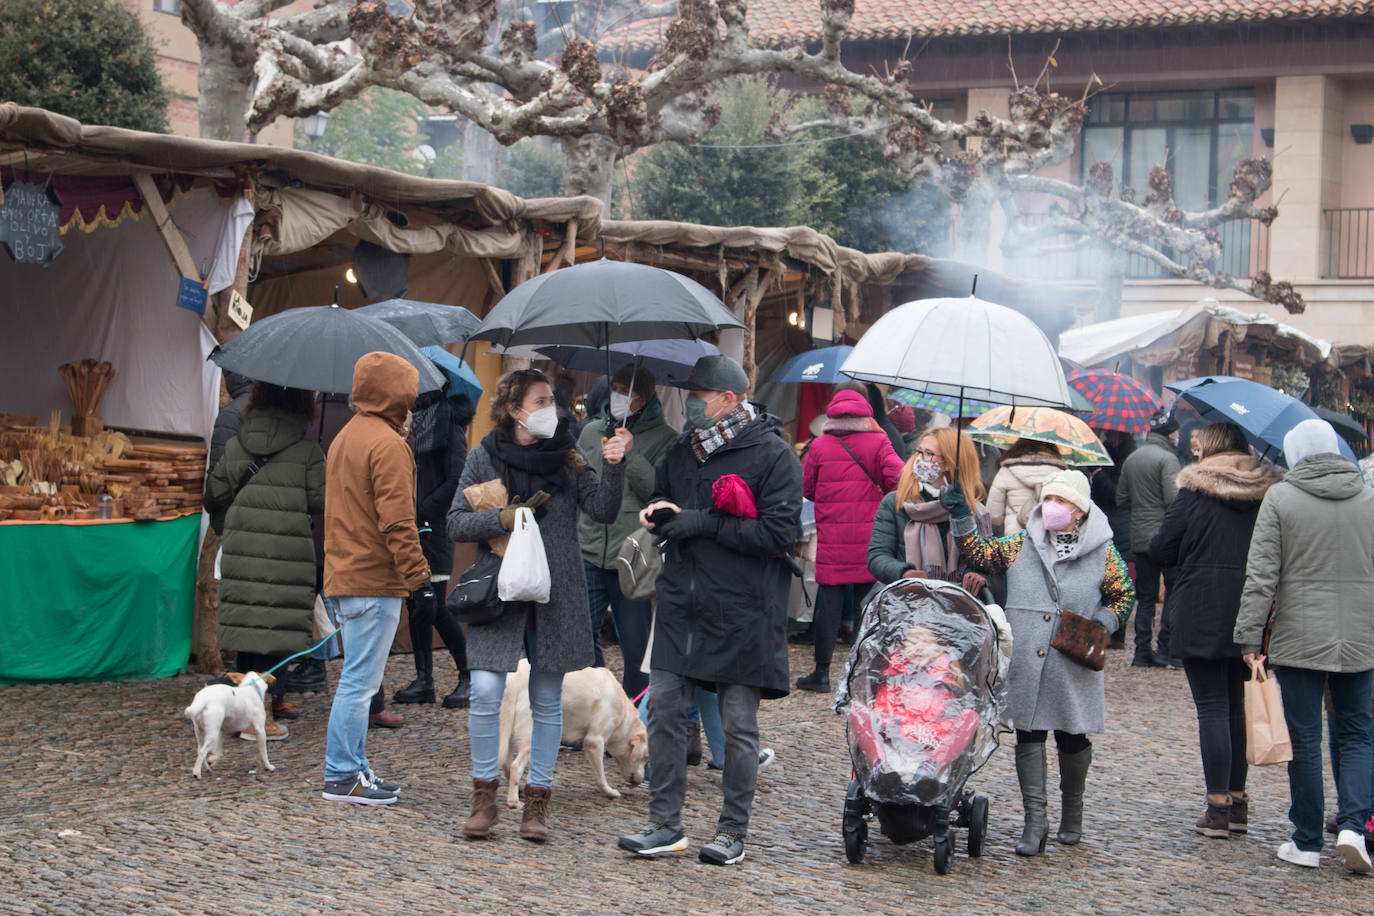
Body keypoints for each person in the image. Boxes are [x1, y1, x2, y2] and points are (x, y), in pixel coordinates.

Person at [618, 355, 801, 867]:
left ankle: (731, 831)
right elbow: (661, 497)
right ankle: (665, 824)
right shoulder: (682, 450)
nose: (690, 405)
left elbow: (778, 535)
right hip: (681, 603)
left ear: (727, 399)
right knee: (665, 714)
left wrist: (697, 521)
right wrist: (655, 513)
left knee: (739, 726)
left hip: (744, 610)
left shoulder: (773, 455)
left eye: (697, 397)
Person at [448, 368, 628, 842]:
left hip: (556, 594)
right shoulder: (483, 456)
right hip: (498, 593)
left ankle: (537, 805)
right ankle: (484, 799)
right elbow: (455, 522)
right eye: (542, 400)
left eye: (552, 398)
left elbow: (604, 510)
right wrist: (500, 517)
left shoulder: (569, 455)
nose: (554, 407)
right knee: (486, 691)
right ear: (514, 411)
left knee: (547, 700)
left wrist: (615, 463)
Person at [942, 470, 1134, 856]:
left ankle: (1072, 813)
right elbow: (979, 553)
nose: (1052, 507)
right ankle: (1035, 822)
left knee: (1071, 735)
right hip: (1029, 655)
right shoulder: (1021, 543)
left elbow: (1122, 594)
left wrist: (1101, 625)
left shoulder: (1104, 551)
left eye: (1061, 501)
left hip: (1072, 658)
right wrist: (961, 512)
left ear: (1079, 510)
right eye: (1048, 499)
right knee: (1029, 734)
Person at [1235, 419, 1374, 874]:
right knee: (1356, 734)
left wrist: (1249, 637)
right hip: (1361, 635)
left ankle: (1307, 840)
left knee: (1304, 738)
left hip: (1298, 637)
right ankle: (1354, 825)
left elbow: (1261, 575)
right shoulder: (1369, 497)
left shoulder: (1282, 497)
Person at [1148, 422, 1280, 837]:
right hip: (1251, 609)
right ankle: (1238, 802)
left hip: (1201, 606)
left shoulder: (1194, 491)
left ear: (1212, 448)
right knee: (1239, 705)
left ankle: (1217, 807)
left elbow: (1161, 546)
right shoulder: (1266, 495)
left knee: (1212, 707)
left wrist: (1182, 568)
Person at [320, 352, 431, 805]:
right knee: (359, 682)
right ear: (398, 397)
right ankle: (343, 773)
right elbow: (397, 522)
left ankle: (352, 768)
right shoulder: (386, 445)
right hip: (372, 578)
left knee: (357, 678)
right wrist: (419, 578)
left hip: (347, 574)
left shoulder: (347, 436)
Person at [204, 382, 325, 741]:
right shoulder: (307, 451)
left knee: (250, 631)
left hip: (243, 550)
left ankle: (248, 712)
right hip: (288, 555)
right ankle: (261, 718)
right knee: (277, 633)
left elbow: (214, 493)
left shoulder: (239, 443)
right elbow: (322, 502)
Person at [795, 388, 903, 692]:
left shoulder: (819, 445)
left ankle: (821, 673)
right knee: (864, 603)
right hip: (869, 535)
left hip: (833, 536)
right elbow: (898, 480)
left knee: (829, 603)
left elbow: (808, 488)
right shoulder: (879, 440)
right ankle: (861, 672)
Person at [578, 364, 676, 698]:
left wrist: (630, 455)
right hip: (589, 548)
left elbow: (658, 491)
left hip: (633, 556)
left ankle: (634, 720)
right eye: (616, 388)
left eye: (628, 391)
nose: (619, 396)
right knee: (580, 641)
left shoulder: (666, 439)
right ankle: (594, 708)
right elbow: (580, 484)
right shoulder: (591, 432)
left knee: (636, 646)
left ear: (645, 399)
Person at [392, 391, 475, 709]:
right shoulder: (412, 425)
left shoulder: (450, 424)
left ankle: (468, 675)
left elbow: (455, 479)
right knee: (416, 603)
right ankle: (423, 679)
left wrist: (424, 509)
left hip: (434, 526)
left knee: (435, 605)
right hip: (412, 523)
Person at [867, 427, 994, 591]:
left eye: (928, 453)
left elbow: (987, 560)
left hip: (958, 603)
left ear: (949, 463)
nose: (919, 459)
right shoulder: (896, 502)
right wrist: (905, 573)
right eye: (918, 451)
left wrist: (978, 574)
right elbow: (877, 556)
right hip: (907, 600)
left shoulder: (972, 510)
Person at [1117, 411, 1182, 668]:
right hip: (1166, 538)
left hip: (1140, 538)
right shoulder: (1169, 459)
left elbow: (1121, 499)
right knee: (1173, 592)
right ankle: (1167, 649)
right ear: (1169, 433)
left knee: (1144, 598)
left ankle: (1141, 652)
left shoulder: (1132, 459)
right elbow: (1174, 501)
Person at [1090, 430, 1136, 649]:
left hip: (1120, 524)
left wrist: (1098, 474)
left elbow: (1117, 495)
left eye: (1112, 434)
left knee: (1117, 578)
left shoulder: (1128, 457)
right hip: (1104, 520)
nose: (1109, 436)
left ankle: (1116, 633)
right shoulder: (1103, 450)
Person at [986, 438, 1066, 535]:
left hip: (1014, 538)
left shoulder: (1006, 471)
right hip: (1046, 537)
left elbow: (994, 516)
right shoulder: (1060, 474)